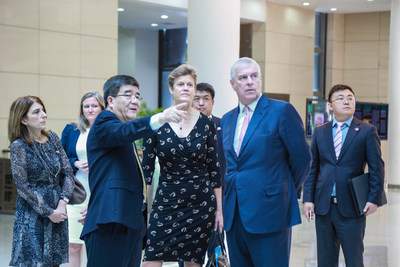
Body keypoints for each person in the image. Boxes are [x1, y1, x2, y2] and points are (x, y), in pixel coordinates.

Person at [80, 74, 187, 267]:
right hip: (111, 220)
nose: (135, 101)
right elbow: (123, 132)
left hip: (129, 221)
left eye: (138, 96)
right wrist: (161, 118)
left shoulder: (122, 132)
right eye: (128, 95)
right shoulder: (105, 121)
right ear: (110, 101)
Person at [221, 57, 311, 267]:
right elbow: (230, 164)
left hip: (270, 212)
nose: (250, 81)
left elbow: (302, 160)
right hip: (234, 215)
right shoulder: (227, 119)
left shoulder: (281, 111)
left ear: (260, 79)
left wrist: (283, 190)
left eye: (254, 76)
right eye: (243, 78)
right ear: (233, 84)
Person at [141, 65, 223, 267]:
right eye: (180, 84)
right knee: (151, 258)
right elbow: (147, 172)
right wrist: (144, 207)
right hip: (166, 201)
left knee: (193, 262)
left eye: (190, 84)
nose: (185, 88)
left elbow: (214, 169)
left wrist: (219, 211)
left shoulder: (206, 124)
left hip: (200, 204)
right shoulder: (156, 122)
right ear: (171, 88)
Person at [303, 84, 386, 267]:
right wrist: (308, 199)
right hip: (324, 207)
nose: (346, 101)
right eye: (340, 98)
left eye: (350, 98)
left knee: (354, 260)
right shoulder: (320, 131)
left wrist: (374, 199)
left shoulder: (366, 131)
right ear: (330, 105)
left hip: (352, 207)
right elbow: (313, 167)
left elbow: (376, 167)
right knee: (325, 260)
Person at [8, 96, 75, 266]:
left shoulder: (52, 137)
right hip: (33, 213)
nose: (44, 115)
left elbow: (68, 172)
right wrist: (48, 212)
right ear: (23, 119)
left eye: (43, 110)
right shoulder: (19, 146)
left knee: (53, 262)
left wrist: (62, 203)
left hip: (58, 209)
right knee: (33, 261)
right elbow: (22, 186)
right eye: (37, 112)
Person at [61, 91, 105, 267]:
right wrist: (76, 163)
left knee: (96, 245)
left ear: (102, 107)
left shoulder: (108, 131)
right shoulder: (71, 130)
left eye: (94, 106)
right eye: (86, 106)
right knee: (73, 244)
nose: (90, 110)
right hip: (77, 191)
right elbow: (60, 158)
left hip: (100, 192)